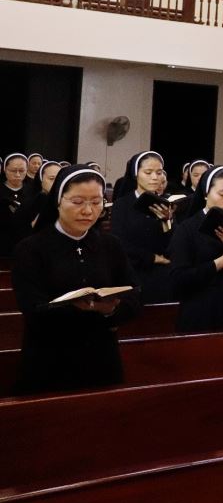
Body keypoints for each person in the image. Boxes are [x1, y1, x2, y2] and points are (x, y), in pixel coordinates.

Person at [12, 164, 141, 393]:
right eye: (78, 202)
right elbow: (32, 308)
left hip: (102, 359)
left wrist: (110, 310)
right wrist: (84, 309)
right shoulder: (31, 249)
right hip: (49, 360)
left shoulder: (111, 245)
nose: (88, 211)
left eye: (96, 202)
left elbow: (135, 296)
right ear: (58, 201)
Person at [167, 166, 223, 332]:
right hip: (199, 313)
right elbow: (178, 280)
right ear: (206, 193)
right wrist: (222, 262)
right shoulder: (186, 229)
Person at [110, 151, 175, 303]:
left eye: (159, 172)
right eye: (148, 172)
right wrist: (152, 258)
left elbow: (173, 243)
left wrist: (167, 221)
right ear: (136, 174)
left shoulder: (166, 205)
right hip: (133, 271)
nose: (155, 177)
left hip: (162, 274)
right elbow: (119, 242)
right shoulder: (122, 204)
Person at [1, 153, 37, 255]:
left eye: (21, 171)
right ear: (5, 169)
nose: (17, 175)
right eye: (13, 170)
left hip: (25, 243)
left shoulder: (32, 191)